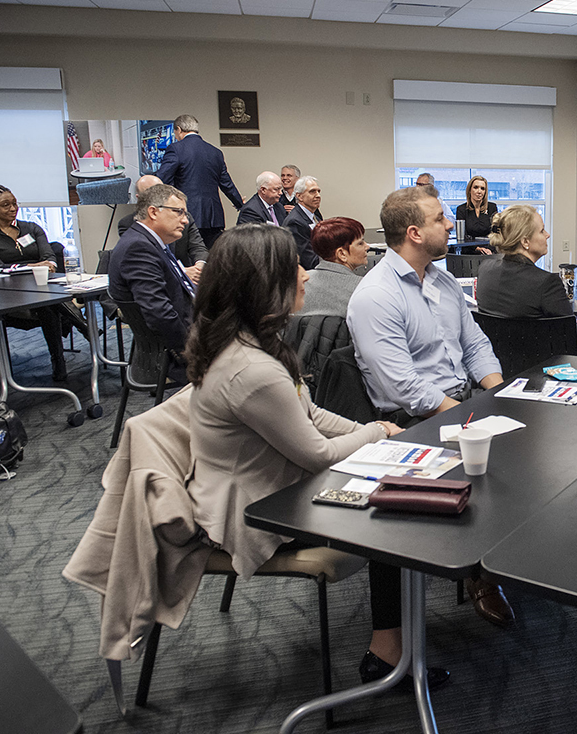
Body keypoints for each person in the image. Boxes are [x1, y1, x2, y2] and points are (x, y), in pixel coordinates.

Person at [182, 225, 446, 689]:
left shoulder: (249, 345)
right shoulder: (251, 368)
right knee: (398, 514)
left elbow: (311, 414)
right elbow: (318, 454)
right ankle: (388, 656)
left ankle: (392, 649)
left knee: (396, 483)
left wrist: (382, 434)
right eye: (294, 268)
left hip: (265, 486)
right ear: (263, 285)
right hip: (261, 512)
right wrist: (374, 432)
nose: (306, 276)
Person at [347, 186, 513, 627]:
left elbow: (475, 345)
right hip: (413, 420)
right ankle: (481, 573)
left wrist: (500, 397)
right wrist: (465, 418)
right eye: (441, 219)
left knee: (528, 445)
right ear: (415, 233)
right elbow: (401, 385)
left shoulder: (441, 282)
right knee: (491, 470)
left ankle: (494, 559)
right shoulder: (376, 296)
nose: (450, 225)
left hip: (462, 403)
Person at [0, 183, 84, 380]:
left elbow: (49, 256)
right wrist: (32, 266)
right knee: (49, 302)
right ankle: (85, 328)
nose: (13, 208)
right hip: (10, 295)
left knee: (48, 304)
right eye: (6, 205)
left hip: (42, 287)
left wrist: (41, 264)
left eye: (15, 203)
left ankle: (58, 360)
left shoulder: (31, 228)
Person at [107, 183, 196, 372]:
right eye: (179, 212)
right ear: (153, 212)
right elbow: (159, 313)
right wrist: (190, 350)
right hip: (172, 355)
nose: (185, 220)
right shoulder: (138, 248)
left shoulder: (149, 242)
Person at [475, 204, 577, 340]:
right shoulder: (547, 283)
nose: (548, 235)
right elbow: (570, 335)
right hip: (540, 359)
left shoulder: (485, 269)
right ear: (525, 241)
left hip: (493, 357)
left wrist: (572, 327)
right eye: (542, 231)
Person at [155, 114, 245, 248]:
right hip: (214, 217)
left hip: (186, 215)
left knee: (188, 260)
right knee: (212, 259)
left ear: (179, 129)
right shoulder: (216, 152)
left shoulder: (176, 149)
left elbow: (162, 179)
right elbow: (226, 184)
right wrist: (240, 204)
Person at [118, 175, 208, 283]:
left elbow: (198, 247)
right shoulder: (131, 226)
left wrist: (199, 268)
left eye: (162, 192)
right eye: (151, 194)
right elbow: (146, 268)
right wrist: (181, 273)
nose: (184, 220)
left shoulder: (183, 217)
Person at [299, 217, 367, 317]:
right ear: (341, 254)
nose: (367, 246)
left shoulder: (299, 285)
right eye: (361, 243)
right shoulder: (362, 289)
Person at [284, 175, 323, 269]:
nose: (318, 195)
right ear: (299, 196)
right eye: (312, 191)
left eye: (318, 191)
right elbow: (308, 260)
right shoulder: (295, 221)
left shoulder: (315, 217)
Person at [454, 175, 496, 255]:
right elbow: (463, 236)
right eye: (475, 187)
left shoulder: (492, 207)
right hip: (469, 251)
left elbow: (495, 234)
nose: (479, 191)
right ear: (470, 190)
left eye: (482, 188)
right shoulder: (461, 209)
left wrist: (489, 249)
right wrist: (478, 248)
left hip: (489, 251)